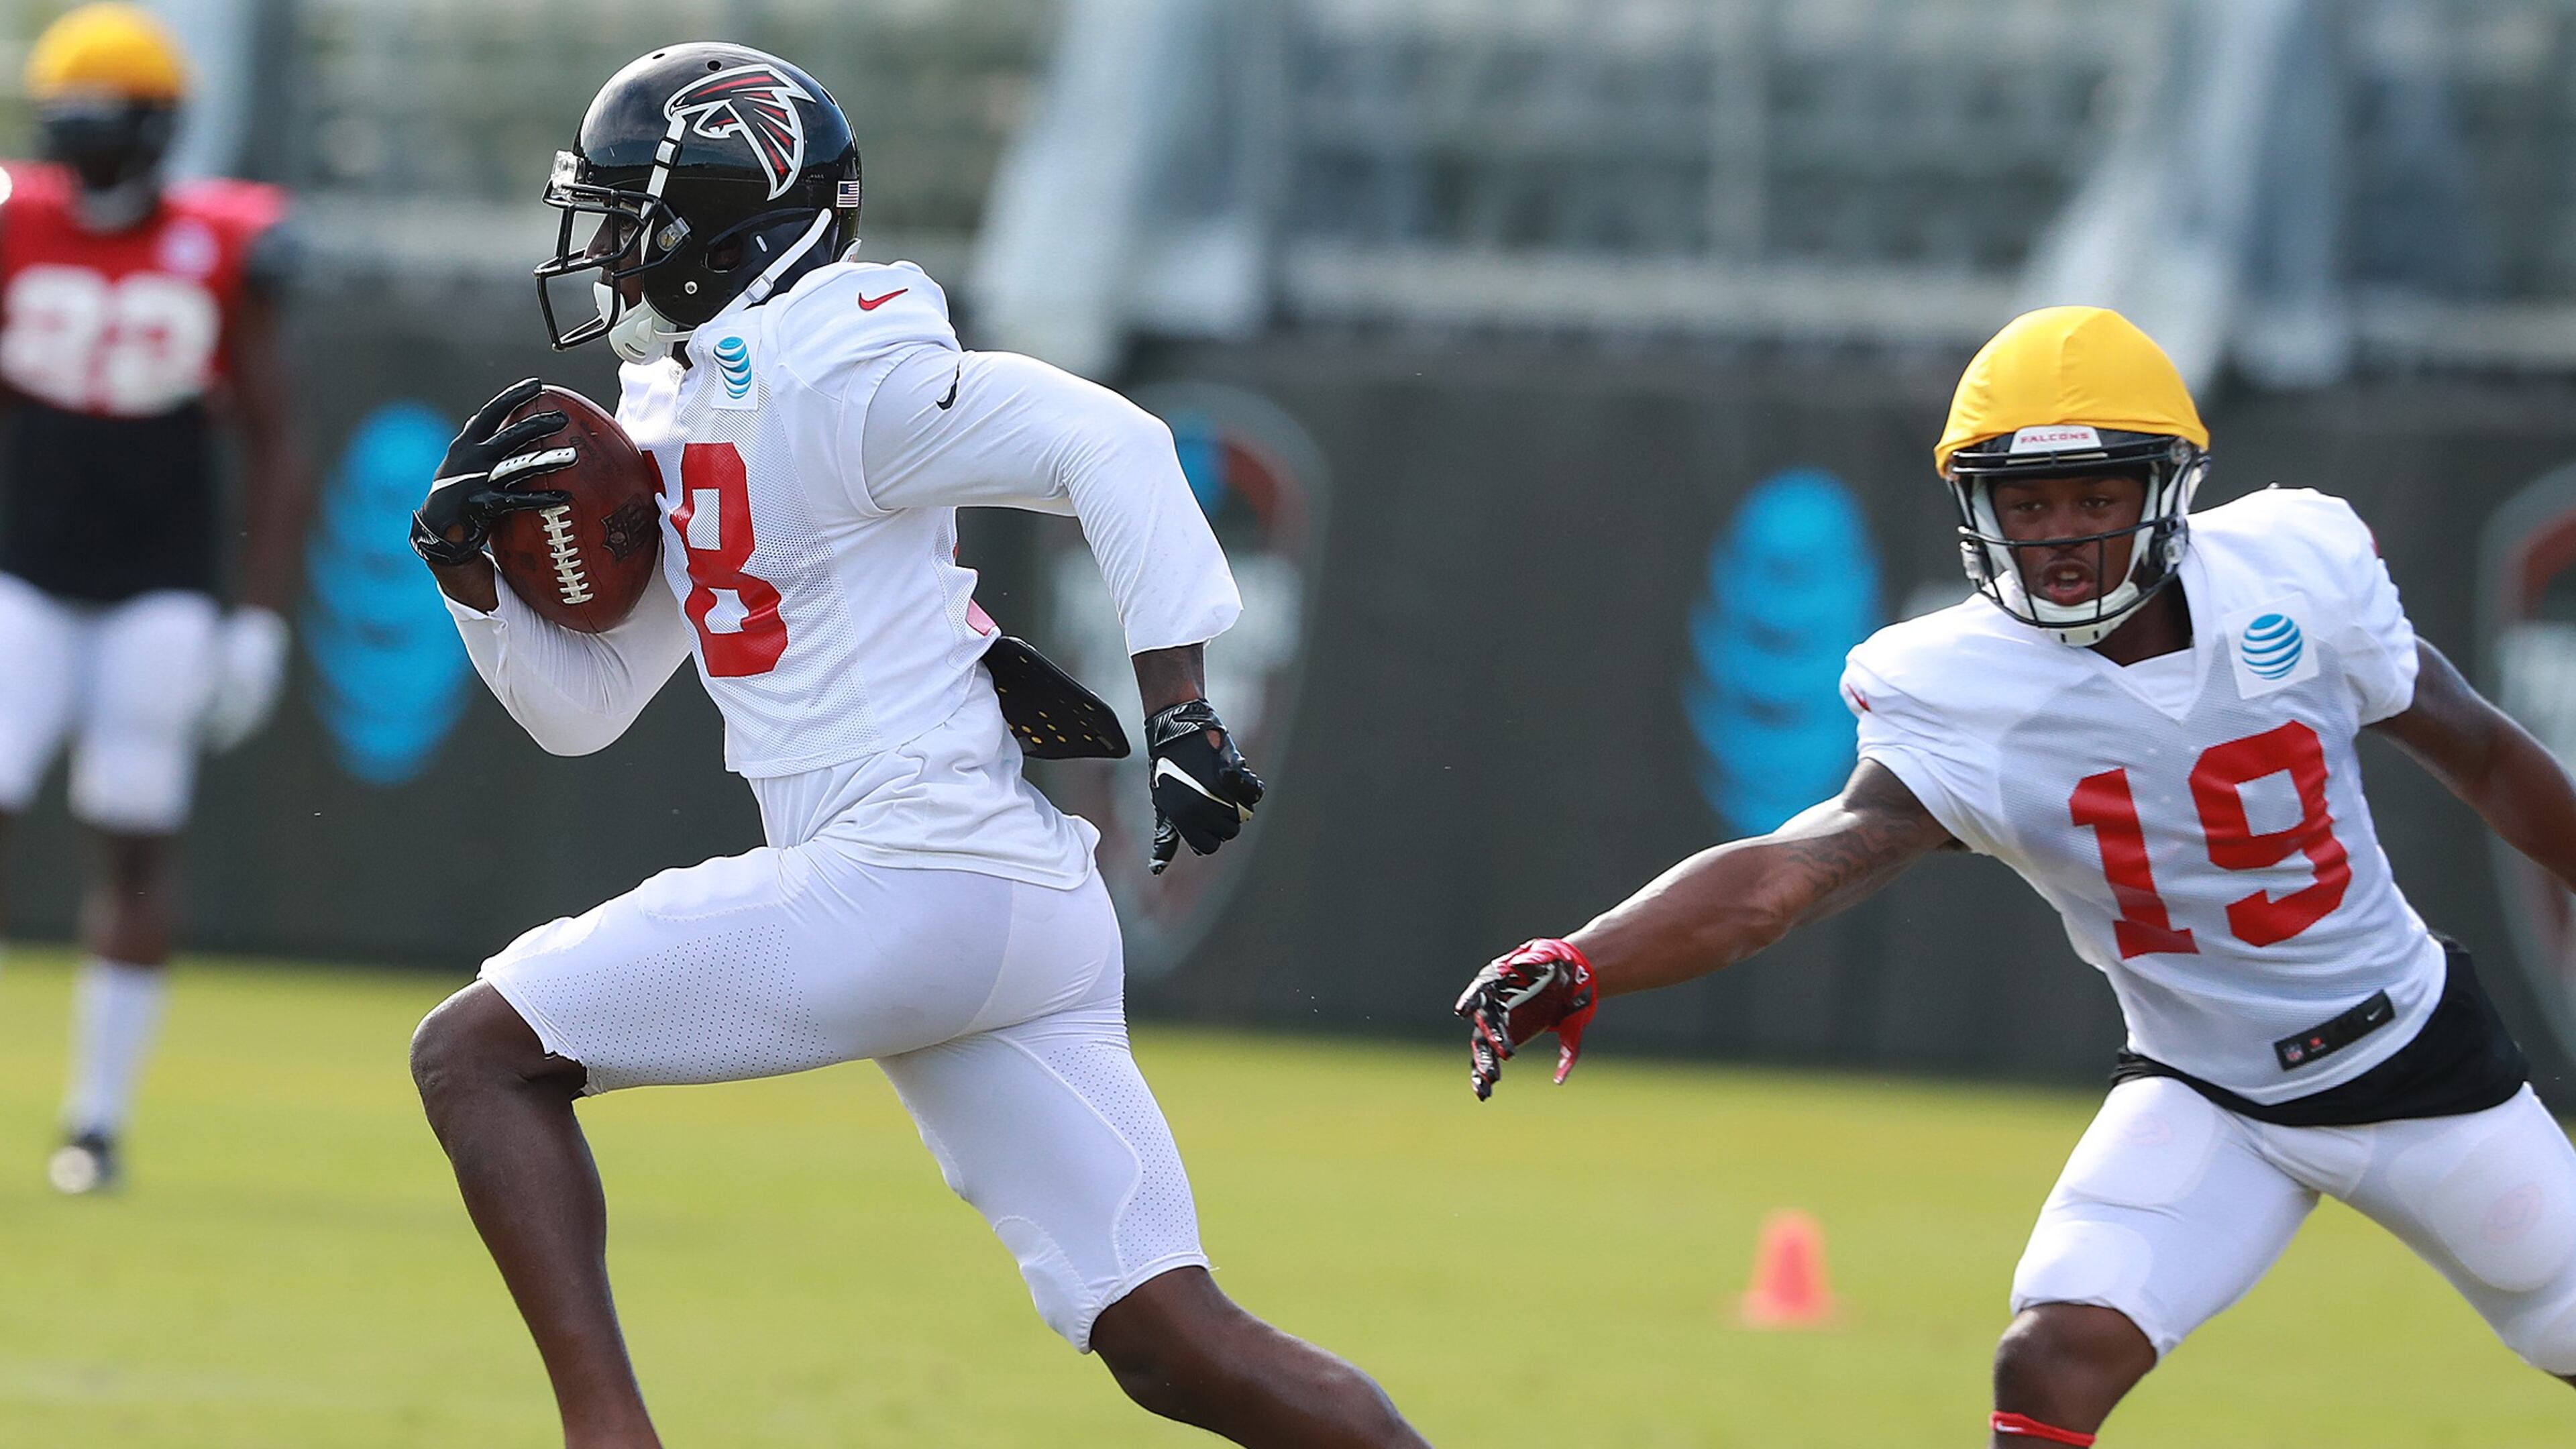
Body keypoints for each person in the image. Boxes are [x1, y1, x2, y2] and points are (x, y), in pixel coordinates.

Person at [405, 43, 1427, 1449]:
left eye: (635, 215)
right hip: (999, 900)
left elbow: (1115, 444)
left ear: (731, 215)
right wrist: (473, 587)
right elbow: (585, 709)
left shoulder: (838, 362)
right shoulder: (687, 399)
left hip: (909, 873)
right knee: (1175, 1343)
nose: (613, 253)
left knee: (474, 1058)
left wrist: (1180, 706)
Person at [1456, 306, 2576, 1445]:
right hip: (2209, 1091)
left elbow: (2480, 750)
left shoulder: (2296, 567)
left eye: (2098, 497)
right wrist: (1586, 960)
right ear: (1976, 512)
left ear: (2167, 490)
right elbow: (1788, 876)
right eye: (2028, 503)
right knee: (2051, 1358)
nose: (2065, 534)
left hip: (2415, 1059)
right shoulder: (1959, 683)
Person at [0, 3, 305, 1195]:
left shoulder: (226, 244)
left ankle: (97, 1119)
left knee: (133, 831)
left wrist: (258, 618)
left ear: (161, 128)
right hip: (23, 567)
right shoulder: (17, 226)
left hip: (160, 587)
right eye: (63, 119)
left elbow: (280, 440)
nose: (80, 142)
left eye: (102, 120)